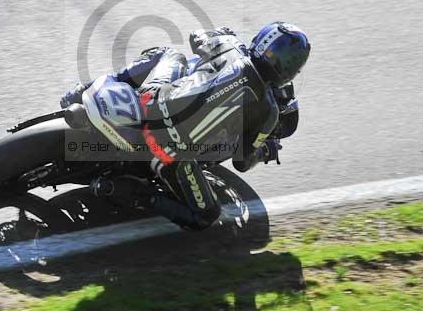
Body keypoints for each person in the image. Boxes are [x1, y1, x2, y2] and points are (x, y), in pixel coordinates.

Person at [60, 23, 311, 230]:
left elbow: (195, 37)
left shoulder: (230, 48)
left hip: (150, 100)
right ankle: (120, 190)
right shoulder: (268, 112)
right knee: (206, 216)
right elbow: (242, 162)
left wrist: (223, 33)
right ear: (291, 70)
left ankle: (88, 88)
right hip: (169, 151)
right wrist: (266, 150)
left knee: (169, 54)